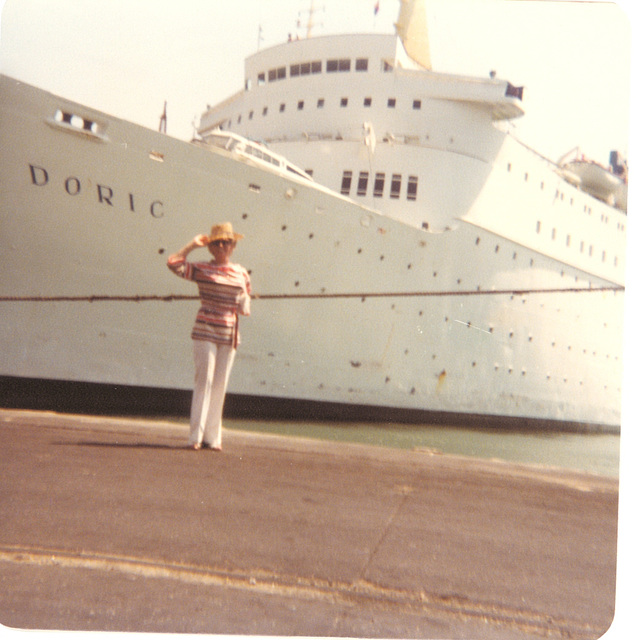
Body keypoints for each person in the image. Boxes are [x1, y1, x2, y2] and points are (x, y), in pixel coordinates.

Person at [167, 222, 251, 451]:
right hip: (205, 329)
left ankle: (213, 438)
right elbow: (173, 263)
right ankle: (195, 437)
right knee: (204, 381)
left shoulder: (241, 272)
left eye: (226, 242)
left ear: (233, 246)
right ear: (211, 247)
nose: (222, 246)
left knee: (220, 385)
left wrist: (244, 304)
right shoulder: (203, 268)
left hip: (230, 333)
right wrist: (191, 245)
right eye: (217, 243)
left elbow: (245, 301)